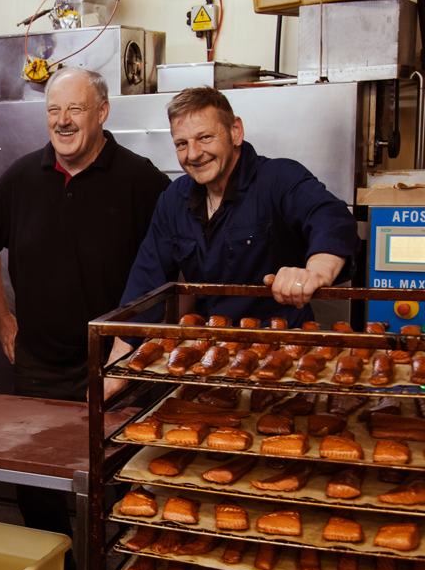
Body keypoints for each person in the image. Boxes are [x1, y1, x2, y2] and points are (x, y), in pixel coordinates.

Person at [0, 67, 170, 570]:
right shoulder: (21, 178)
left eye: (75, 109)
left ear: (102, 112)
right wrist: (2, 318)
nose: (62, 121)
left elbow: (172, 266)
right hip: (38, 362)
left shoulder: (141, 179)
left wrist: (140, 350)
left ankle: (122, 566)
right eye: (53, 110)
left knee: (123, 481)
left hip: (114, 365)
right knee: (36, 486)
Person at [110, 86, 360, 365]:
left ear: (235, 131)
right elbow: (146, 283)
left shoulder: (279, 178)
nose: (193, 154)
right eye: (181, 143)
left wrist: (316, 271)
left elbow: (331, 217)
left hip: (283, 352)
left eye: (205, 137)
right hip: (207, 353)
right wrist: (113, 367)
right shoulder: (173, 199)